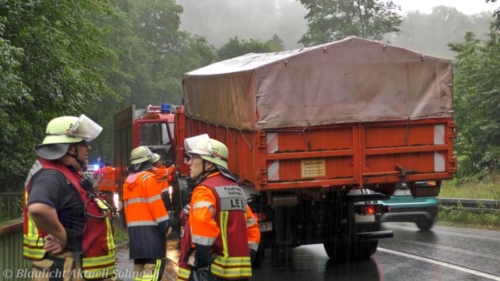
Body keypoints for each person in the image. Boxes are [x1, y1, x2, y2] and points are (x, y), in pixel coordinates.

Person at [22, 114, 116, 280]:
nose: (88, 148)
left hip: (73, 268)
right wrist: (60, 236)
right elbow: (38, 208)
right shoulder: (51, 175)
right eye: (84, 143)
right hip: (65, 269)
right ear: (70, 148)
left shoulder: (64, 173)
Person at [180, 134, 260, 281]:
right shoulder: (236, 189)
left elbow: (203, 226)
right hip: (238, 275)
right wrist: (246, 257)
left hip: (211, 273)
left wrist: (201, 259)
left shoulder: (204, 189)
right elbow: (252, 228)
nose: (189, 162)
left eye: (194, 158)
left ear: (209, 164)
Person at [123, 146, 170, 281]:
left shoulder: (127, 182)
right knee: (153, 269)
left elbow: (127, 210)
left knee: (139, 272)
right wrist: (166, 224)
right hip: (152, 236)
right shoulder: (148, 178)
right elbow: (156, 205)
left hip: (136, 236)